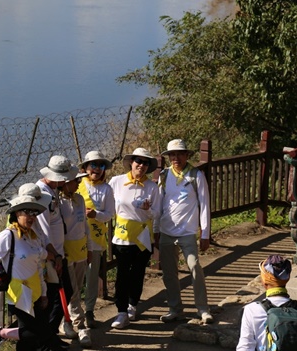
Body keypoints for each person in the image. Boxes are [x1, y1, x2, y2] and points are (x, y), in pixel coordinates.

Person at [0, 184, 65, 351]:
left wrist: (43, 293)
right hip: (19, 293)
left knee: (33, 337)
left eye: (34, 213)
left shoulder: (33, 237)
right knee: (39, 333)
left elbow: (38, 267)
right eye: (26, 212)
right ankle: (1, 333)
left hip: (35, 291)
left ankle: (1, 333)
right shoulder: (8, 236)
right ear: (16, 213)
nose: (31, 217)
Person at [155, 139, 213, 324]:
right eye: (172, 154)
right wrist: (156, 229)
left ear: (187, 155)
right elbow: (159, 204)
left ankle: (202, 308)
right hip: (167, 230)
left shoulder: (196, 175)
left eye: (179, 154)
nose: (176, 158)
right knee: (169, 272)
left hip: (187, 231)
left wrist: (205, 233)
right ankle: (175, 309)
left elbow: (204, 205)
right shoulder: (164, 176)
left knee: (194, 267)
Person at [108, 147, 162, 329]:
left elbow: (157, 213)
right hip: (122, 236)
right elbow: (108, 206)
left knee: (138, 273)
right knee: (122, 274)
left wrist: (148, 210)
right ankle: (121, 311)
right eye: (138, 161)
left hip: (143, 237)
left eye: (145, 163)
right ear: (131, 162)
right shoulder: (117, 182)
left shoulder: (152, 187)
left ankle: (133, 304)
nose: (141, 165)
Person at [33, 155, 78, 337]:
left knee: (62, 293)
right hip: (51, 256)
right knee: (56, 296)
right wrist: (54, 257)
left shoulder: (52, 191)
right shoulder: (42, 195)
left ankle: (50, 335)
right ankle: (48, 336)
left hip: (58, 252)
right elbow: (44, 230)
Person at [77, 150, 115, 329]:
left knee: (92, 276)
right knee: (75, 277)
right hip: (76, 240)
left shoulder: (106, 189)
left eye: (101, 166)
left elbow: (109, 215)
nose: (97, 169)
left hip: (97, 240)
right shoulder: (76, 185)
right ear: (85, 167)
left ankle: (89, 310)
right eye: (93, 165)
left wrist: (96, 214)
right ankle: (73, 312)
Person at [60, 169, 92, 346]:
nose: (78, 183)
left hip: (80, 250)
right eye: (75, 180)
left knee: (77, 288)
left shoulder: (79, 199)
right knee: (71, 290)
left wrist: (89, 248)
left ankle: (66, 321)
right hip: (66, 251)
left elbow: (84, 225)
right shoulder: (58, 202)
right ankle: (79, 325)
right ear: (65, 182)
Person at [237, 255, 294, 351]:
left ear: (264, 281)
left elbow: (245, 347)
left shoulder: (252, 310)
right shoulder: (295, 308)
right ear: (286, 279)